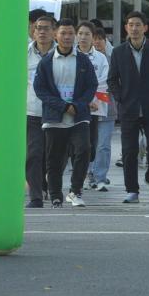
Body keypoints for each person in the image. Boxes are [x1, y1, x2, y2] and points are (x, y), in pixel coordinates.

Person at [33, 19, 99, 208]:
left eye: (71, 33)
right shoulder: (46, 62)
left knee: (84, 150)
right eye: (63, 33)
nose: (67, 37)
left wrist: (77, 105)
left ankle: (75, 191)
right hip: (54, 118)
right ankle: (55, 195)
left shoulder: (83, 60)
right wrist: (63, 106)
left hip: (79, 117)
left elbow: (91, 85)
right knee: (54, 158)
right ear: (56, 35)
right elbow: (40, 89)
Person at [109, 11, 149, 204]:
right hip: (129, 108)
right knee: (129, 151)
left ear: (145, 28)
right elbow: (112, 80)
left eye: (138, 25)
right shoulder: (118, 52)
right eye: (131, 25)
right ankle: (132, 190)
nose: (134, 28)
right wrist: (121, 98)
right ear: (126, 28)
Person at [25, 13, 55, 208]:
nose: (42, 32)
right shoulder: (24, 54)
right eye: (38, 28)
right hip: (32, 111)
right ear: (33, 31)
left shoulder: (63, 53)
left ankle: (49, 187)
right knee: (33, 155)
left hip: (58, 112)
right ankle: (36, 196)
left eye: (46, 28)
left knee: (54, 155)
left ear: (54, 32)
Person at [81, 21, 114, 192]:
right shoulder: (76, 55)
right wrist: (87, 99)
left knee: (103, 145)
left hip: (105, 105)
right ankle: (87, 175)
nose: (97, 41)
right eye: (95, 38)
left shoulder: (110, 57)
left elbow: (105, 81)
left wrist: (93, 97)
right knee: (86, 144)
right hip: (83, 107)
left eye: (101, 39)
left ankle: (100, 177)